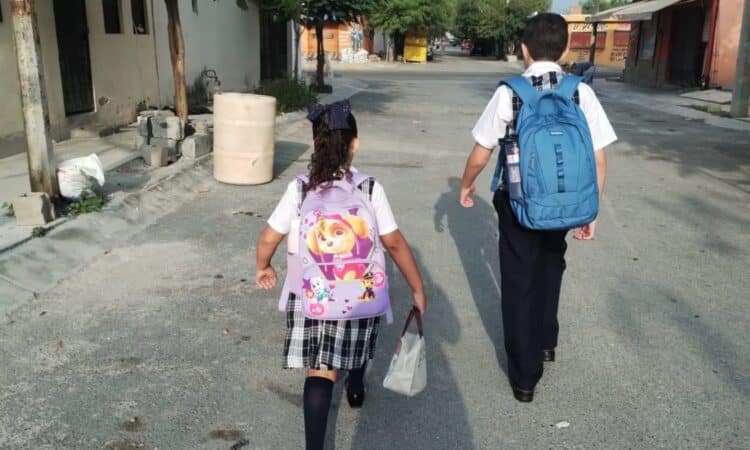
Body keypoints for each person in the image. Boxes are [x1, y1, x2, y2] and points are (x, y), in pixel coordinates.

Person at [458, 13, 617, 402]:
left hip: (519, 202)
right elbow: (598, 158)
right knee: (551, 265)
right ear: (565, 49)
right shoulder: (581, 93)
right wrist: (591, 209)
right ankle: (546, 341)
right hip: (567, 203)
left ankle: (525, 376)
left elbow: (481, 151)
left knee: (519, 280)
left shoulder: (510, 93)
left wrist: (466, 184)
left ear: (524, 49)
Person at [255, 100, 427, 449]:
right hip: (359, 290)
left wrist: (263, 266)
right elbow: (393, 243)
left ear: (314, 144)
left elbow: (269, 236)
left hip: (312, 293)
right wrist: (417, 287)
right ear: (355, 145)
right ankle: (357, 385)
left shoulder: (300, 188)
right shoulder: (369, 188)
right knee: (357, 339)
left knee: (320, 369)